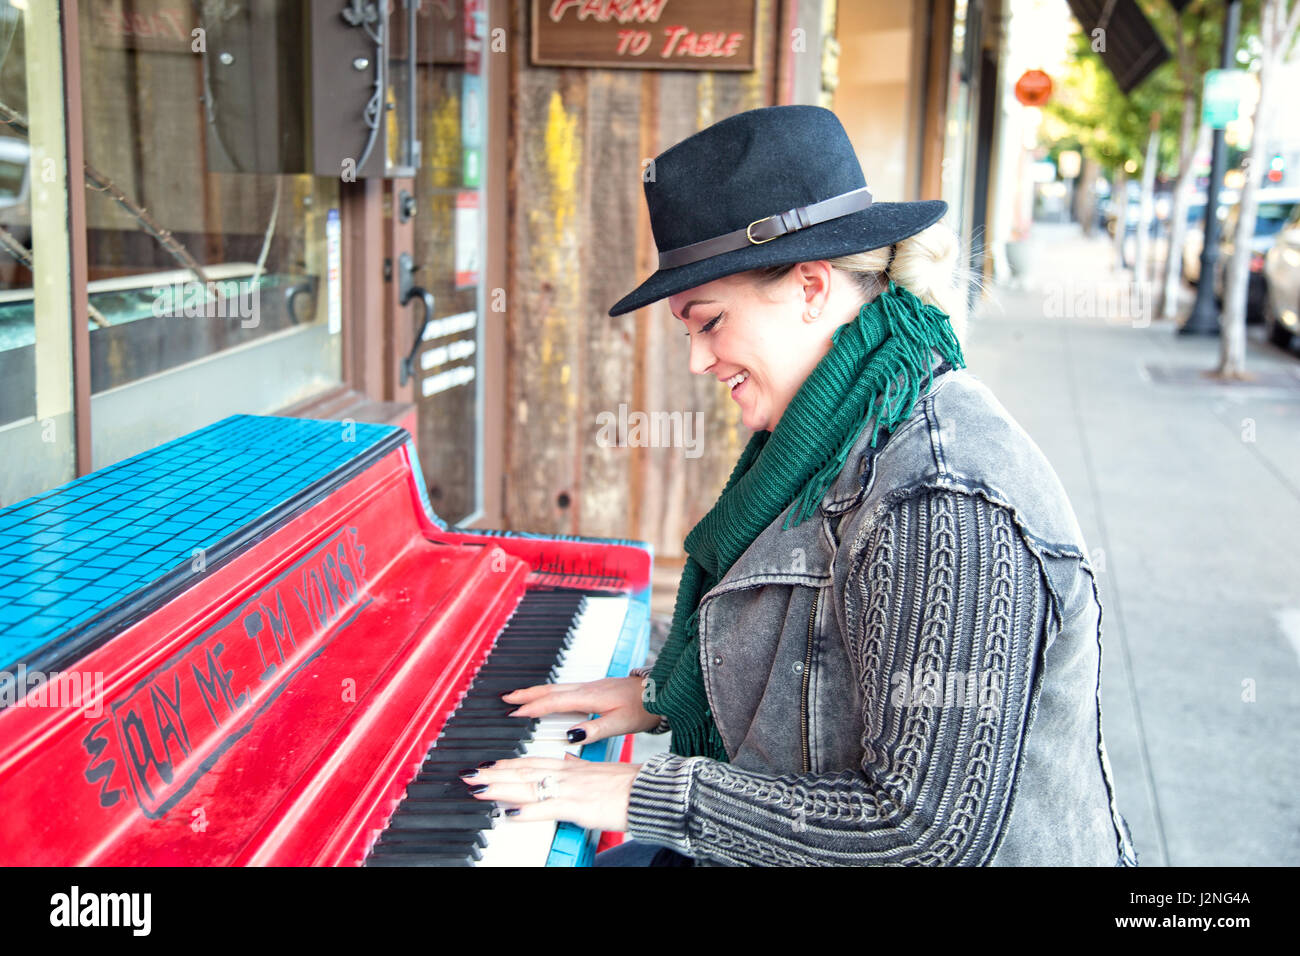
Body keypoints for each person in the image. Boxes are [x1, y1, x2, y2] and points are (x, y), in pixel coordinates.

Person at [459, 105, 1138, 867]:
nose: (697, 360)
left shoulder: (940, 501)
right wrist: (664, 695)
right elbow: (815, 655)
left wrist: (635, 796)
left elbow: (923, 836)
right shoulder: (828, 431)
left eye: (709, 322)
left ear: (812, 288)